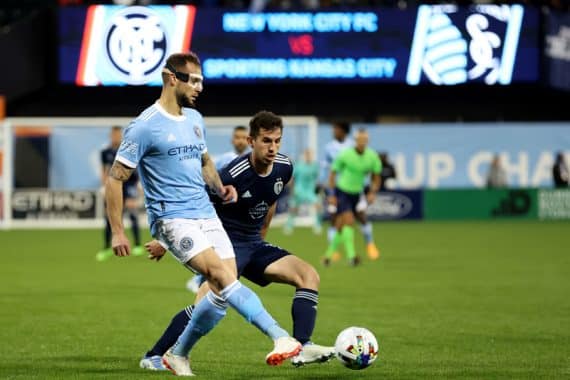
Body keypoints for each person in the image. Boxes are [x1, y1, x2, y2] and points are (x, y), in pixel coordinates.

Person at [104, 52, 300, 376]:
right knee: (220, 275)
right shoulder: (144, 126)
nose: (199, 87)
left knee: (223, 290)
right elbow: (115, 178)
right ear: (171, 78)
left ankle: (178, 354)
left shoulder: (195, 120)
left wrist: (220, 187)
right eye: (193, 80)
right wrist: (117, 231)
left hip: (205, 211)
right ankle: (279, 336)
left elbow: (205, 162)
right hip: (172, 217)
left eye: (201, 81)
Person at [140, 111, 334, 372]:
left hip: (254, 244)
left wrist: (262, 239)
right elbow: (194, 204)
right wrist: (165, 242)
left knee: (308, 275)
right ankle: (154, 355)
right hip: (224, 247)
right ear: (251, 141)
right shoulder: (232, 173)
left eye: (277, 140)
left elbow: (271, 201)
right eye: (266, 141)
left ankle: (301, 346)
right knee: (206, 304)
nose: (273, 147)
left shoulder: (285, 166)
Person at [186, 124, 249, 292]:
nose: (241, 141)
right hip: (222, 212)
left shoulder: (252, 161)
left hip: (241, 214)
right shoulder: (224, 159)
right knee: (219, 247)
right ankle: (202, 279)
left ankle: (212, 279)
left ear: (249, 140)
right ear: (232, 140)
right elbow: (208, 179)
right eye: (238, 137)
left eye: (244, 138)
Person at [320, 122, 380, 262]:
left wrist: (372, 192)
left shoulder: (372, 156)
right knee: (345, 220)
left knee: (352, 221)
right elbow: (332, 173)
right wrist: (331, 194)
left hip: (358, 192)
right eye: (360, 139)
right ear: (355, 140)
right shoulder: (343, 153)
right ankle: (351, 256)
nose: (362, 142)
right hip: (342, 191)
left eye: (364, 140)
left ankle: (330, 255)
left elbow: (376, 178)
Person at [95, 125, 143, 262]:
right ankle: (106, 247)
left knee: (132, 213)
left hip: (129, 184)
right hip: (113, 185)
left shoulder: (127, 149)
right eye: (114, 135)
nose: (116, 137)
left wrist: (138, 185)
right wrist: (105, 187)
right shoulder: (105, 152)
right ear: (110, 136)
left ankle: (138, 245)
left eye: (118, 134)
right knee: (110, 217)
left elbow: (135, 168)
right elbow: (104, 170)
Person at [284, 148, 322, 235]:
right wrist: (292, 190)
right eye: (307, 154)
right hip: (299, 190)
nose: (308, 156)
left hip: (310, 191)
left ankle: (317, 225)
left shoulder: (314, 166)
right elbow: (293, 178)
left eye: (310, 154)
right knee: (294, 208)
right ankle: (289, 225)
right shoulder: (299, 165)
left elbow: (316, 179)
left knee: (318, 204)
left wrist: (317, 190)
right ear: (304, 155)